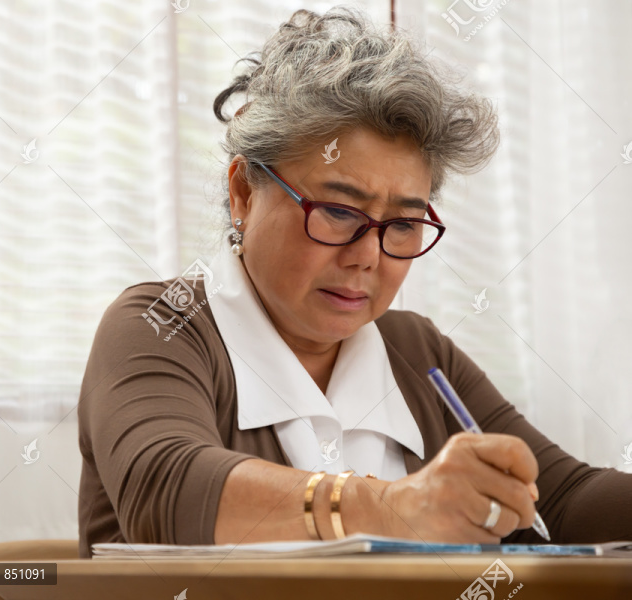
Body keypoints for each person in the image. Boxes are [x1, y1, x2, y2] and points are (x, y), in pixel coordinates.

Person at [76, 6, 632, 558]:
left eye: (404, 225)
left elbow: (562, 503)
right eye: (340, 211)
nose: (368, 256)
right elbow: (168, 492)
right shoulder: (162, 323)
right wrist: (402, 506)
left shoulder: (417, 352)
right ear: (244, 192)